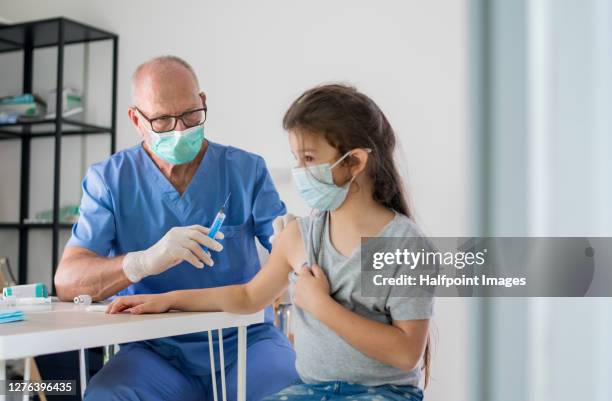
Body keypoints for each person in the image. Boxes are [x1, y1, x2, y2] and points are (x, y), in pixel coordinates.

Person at [107, 84, 433, 401]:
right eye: (296, 158)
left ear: (354, 162)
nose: (299, 171)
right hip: (313, 390)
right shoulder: (299, 236)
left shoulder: (405, 245)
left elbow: (405, 353)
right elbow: (249, 295)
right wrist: (169, 299)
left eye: (308, 158)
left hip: (383, 393)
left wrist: (320, 305)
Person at [54, 55, 298, 401]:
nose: (181, 130)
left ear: (203, 103)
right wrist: (141, 262)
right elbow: (67, 281)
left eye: (190, 115)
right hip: (154, 351)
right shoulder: (110, 180)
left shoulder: (245, 171)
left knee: (290, 391)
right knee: (108, 395)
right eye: (163, 120)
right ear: (136, 120)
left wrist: (296, 245)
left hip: (243, 342)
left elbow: (288, 253)